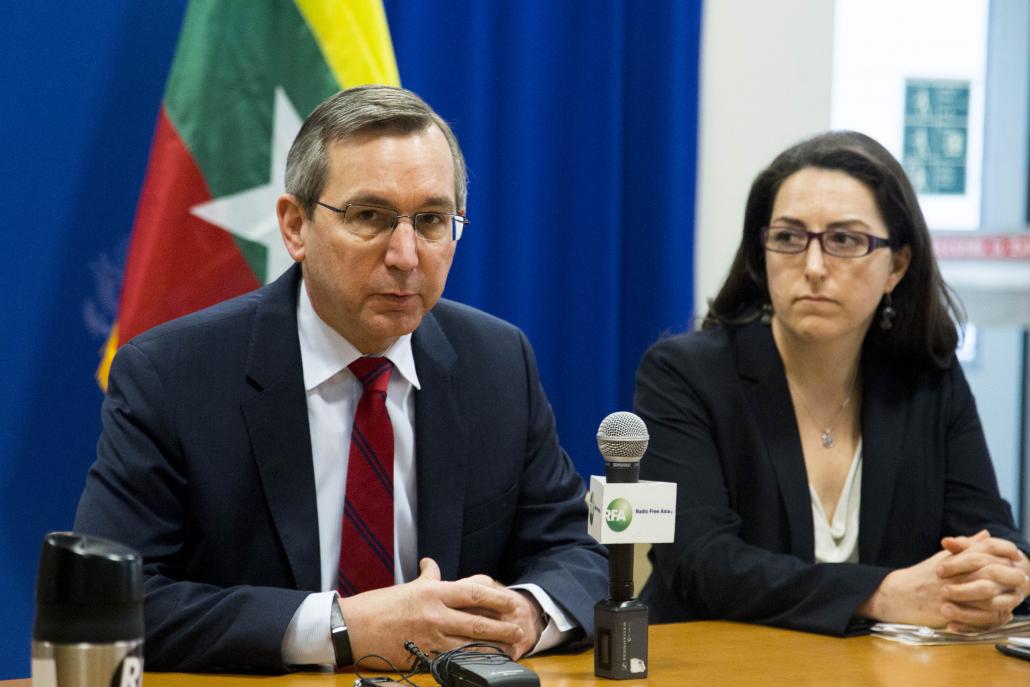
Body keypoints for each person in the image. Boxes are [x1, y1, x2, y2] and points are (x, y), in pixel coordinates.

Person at [75, 85, 607, 672]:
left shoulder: (497, 362)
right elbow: (110, 600)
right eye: (370, 217)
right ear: (295, 226)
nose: (405, 255)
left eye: (431, 221)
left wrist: (526, 615)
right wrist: (339, 627)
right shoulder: (173, 375)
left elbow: (577, 552)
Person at [637, 130, 1030, 636]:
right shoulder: (686, 374)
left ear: (898, 265)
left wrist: (1003, 570)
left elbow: (987, 528)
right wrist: (883, 594)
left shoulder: (929, 379)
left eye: (844, 240)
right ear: (763, 256)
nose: (815, 267)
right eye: (789, 238)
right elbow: (700, 562)